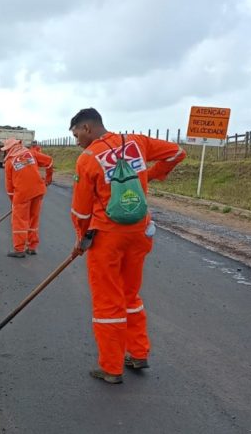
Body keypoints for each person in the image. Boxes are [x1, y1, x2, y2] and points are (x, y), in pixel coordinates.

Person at [69, 107, 186, 384]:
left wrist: (80, 240)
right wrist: (154, 174)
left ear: (87, 128)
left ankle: (111, 367)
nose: (76, 142)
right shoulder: (137, 141)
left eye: (76, 135)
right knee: (130, 295)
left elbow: (82, 212)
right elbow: (177, 153)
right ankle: (138, 353)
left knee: (108, 301)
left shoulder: (87, 159)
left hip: (108, 237)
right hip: (140, 232)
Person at [1, 138, 51, 257]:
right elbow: (49, 161)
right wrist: (48, 179)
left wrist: (14, 203)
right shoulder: (31, 153)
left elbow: (9, 187)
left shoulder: (9, 162)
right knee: (33, 218)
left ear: (9, 149)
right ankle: (32, 247)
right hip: (38, 191)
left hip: (22, 194)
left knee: (19, 221)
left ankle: (19, 249)